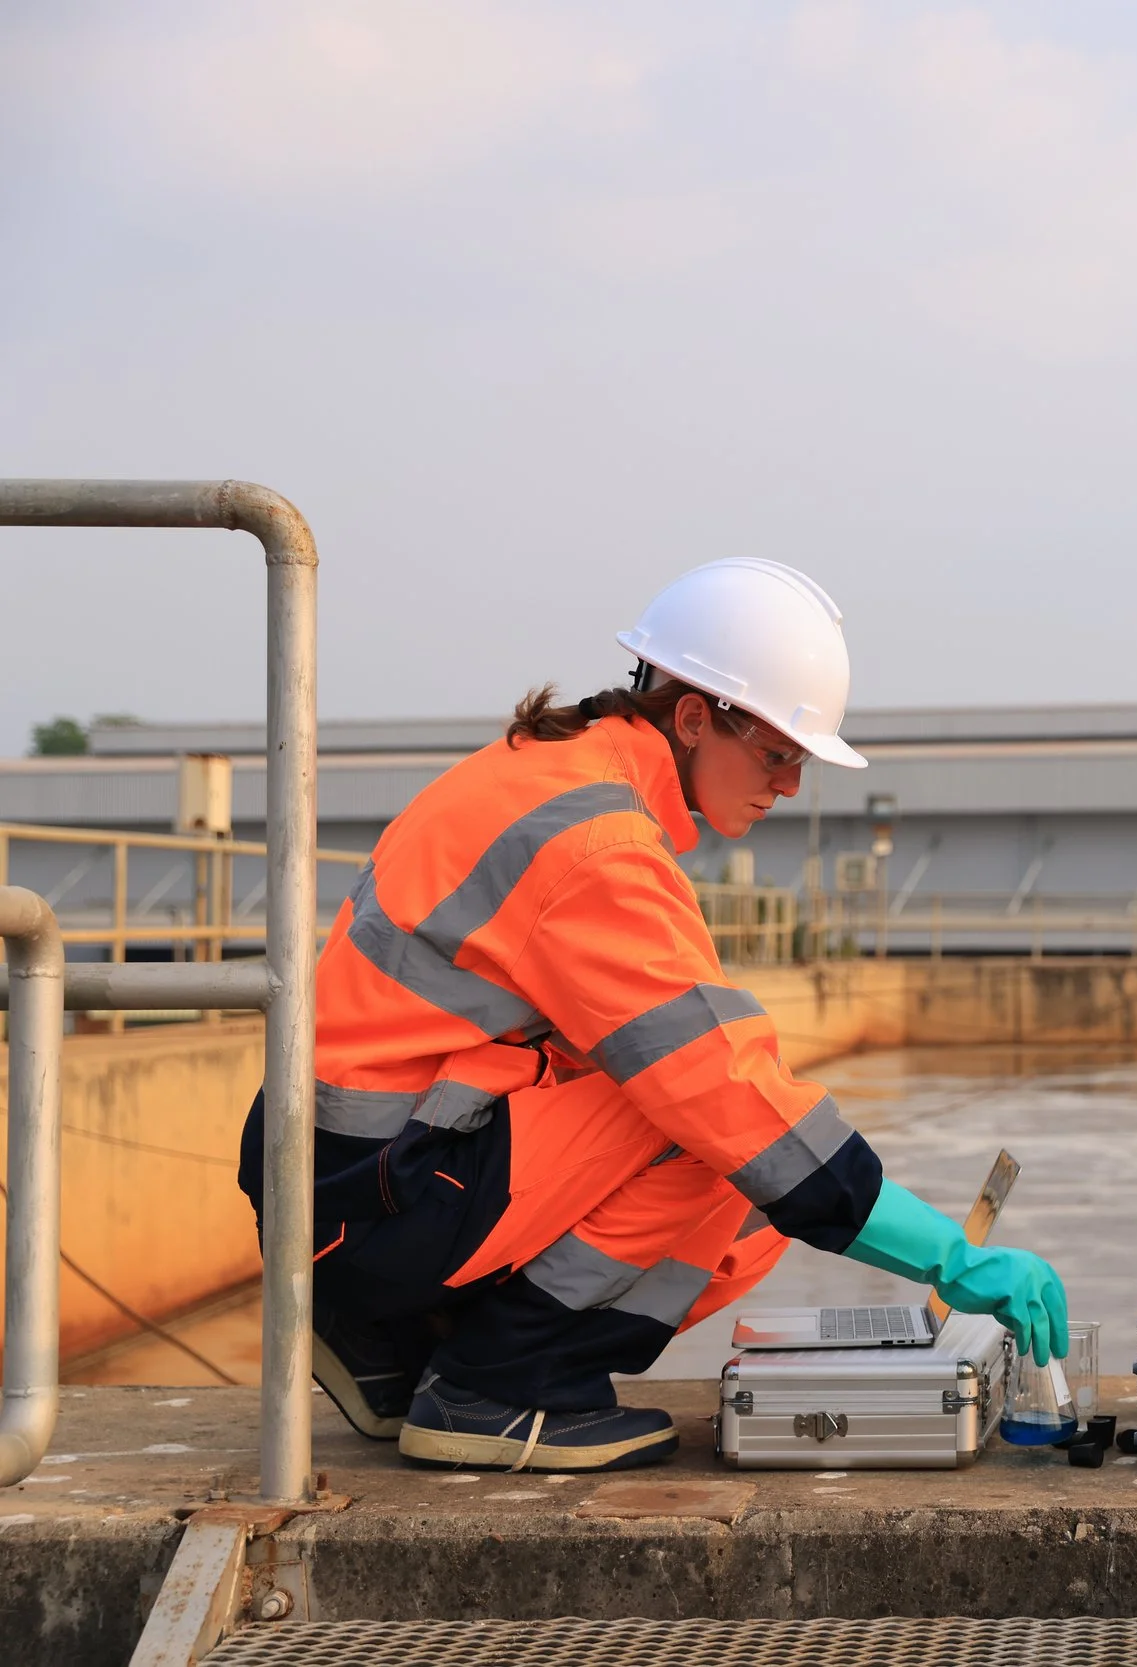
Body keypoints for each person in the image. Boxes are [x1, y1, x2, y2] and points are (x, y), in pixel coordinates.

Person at [239, 557, 1068, 1472]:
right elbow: (735, 1100)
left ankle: (394, 1341)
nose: (789, 785)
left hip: (341, 1179)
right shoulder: (599, 846)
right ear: (690, 717)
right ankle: (498, 1385)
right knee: (727, 1151)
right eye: (777, 753)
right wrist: (952, 1258)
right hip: (379, 1193)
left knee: (737, 1185)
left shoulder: (544, 772)